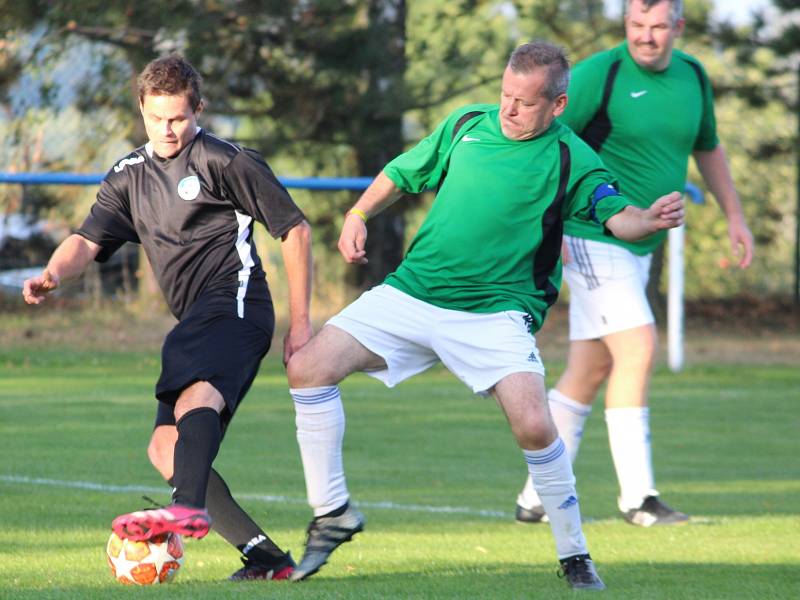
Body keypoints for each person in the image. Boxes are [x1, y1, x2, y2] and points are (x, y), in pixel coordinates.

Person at [284, 41, 686, 591]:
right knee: (308, 368)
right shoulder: (465, 124)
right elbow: (402, 173)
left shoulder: (573, 158)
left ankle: (575, 555)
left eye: (524, 102)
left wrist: (650, 219)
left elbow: (620, 220)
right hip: (412, 293)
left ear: (558, 106)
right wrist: (357, 214)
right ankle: (333, 514)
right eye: (505, 95)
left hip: (496, 314)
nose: (509, 109)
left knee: (535, 425)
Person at [22, 55, 313, 581]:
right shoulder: (129, 174)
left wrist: (302, 323)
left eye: (177, 117)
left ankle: (185, 510)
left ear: (197, 109)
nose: (167, 129)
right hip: (195, 318)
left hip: (237, 303)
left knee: (195, 396)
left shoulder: (227, 161)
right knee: (164, 448)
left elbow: (295, 230)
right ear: (141, 109)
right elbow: (88, 240)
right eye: (156, 118)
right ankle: (267, 558)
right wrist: (52, 274)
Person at [514, 0, 754, 528]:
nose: (646, 36)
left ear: (679, 28)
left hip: (640, 245)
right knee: (639, 347)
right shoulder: (601, 73)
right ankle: (638, 500)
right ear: (626, 25)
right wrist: (542, 223)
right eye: (636, 25)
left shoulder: (693, 75)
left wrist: (734, 216)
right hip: (590, 233)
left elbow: (708, 147)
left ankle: (536, 496)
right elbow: (540, 138)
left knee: (591, 368)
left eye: (658, 26)